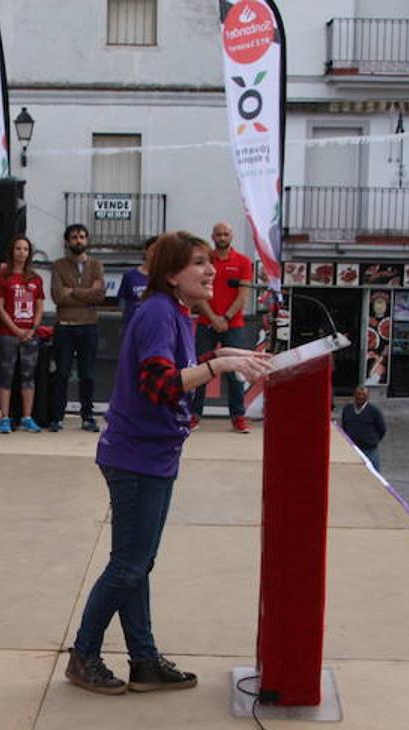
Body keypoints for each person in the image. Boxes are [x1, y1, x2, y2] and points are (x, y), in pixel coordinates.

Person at [66, 231, 272, 695]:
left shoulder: (178, 312)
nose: (211, 269)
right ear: (173, 274)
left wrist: (223, 354)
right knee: (128, 566)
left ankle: (144, 661)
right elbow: (159, 384)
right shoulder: (158, 312)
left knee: (137, 564)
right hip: (136, 457)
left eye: (210, 261)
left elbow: (180, 365)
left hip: (154, 454)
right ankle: (83, 655)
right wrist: (218, 367)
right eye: (199, 262)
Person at [191, 222, 255, 433]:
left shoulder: (243, 261)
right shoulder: (203, 260)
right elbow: (198, 293)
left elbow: (243, 296)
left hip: (233, 324)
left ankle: (238, 417)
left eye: (226, 234)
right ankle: (193, 416)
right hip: (206, 323)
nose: (222, 237)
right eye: (218, 234)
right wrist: (213, 318)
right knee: (199, 369)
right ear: (212, 236)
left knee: (235, 372)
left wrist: (225, 318)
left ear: (231, 236)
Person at [49, 224, 106, 433]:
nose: (79, 240)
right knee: (62, 374)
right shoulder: (58, 265)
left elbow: (99, 296)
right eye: (74, 237)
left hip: (89, 326)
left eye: (82, 236)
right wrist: (86, 293)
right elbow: (58, 296)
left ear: (87, 240)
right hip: (65, 327)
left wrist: (72, 291)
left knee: (87, 374)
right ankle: (57, 418)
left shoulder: (96, 265)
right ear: (67, 241)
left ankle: (87, 417)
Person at [0, 235, 45, 433]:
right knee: (6, 375)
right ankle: (5, 417)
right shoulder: (2, 277)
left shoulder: (36, 278)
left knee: (28, 376)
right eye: (18, 248)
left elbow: (40, 306)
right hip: (8, 334)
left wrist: (33, 328)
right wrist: (15, 330)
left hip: (30, 334)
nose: (22, 252)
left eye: (25, 249)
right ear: (12, 251)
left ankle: (27, 417)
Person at [339, 385, 386, 471]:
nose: (360, 397)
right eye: (358, 394)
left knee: (372, 472)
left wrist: (372, 440)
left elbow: (382, 429)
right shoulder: (347, 409)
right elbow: (344, 426)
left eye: (363, 394)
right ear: (354, 395)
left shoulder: (374, 411)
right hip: (353, 449)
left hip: (369, 450)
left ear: (367, 397)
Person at [116, 237, 154, 326]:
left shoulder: (165, 277)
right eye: (153, 250)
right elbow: (122, 302)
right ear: (146, 251)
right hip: (134, 325)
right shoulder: (130, 275)